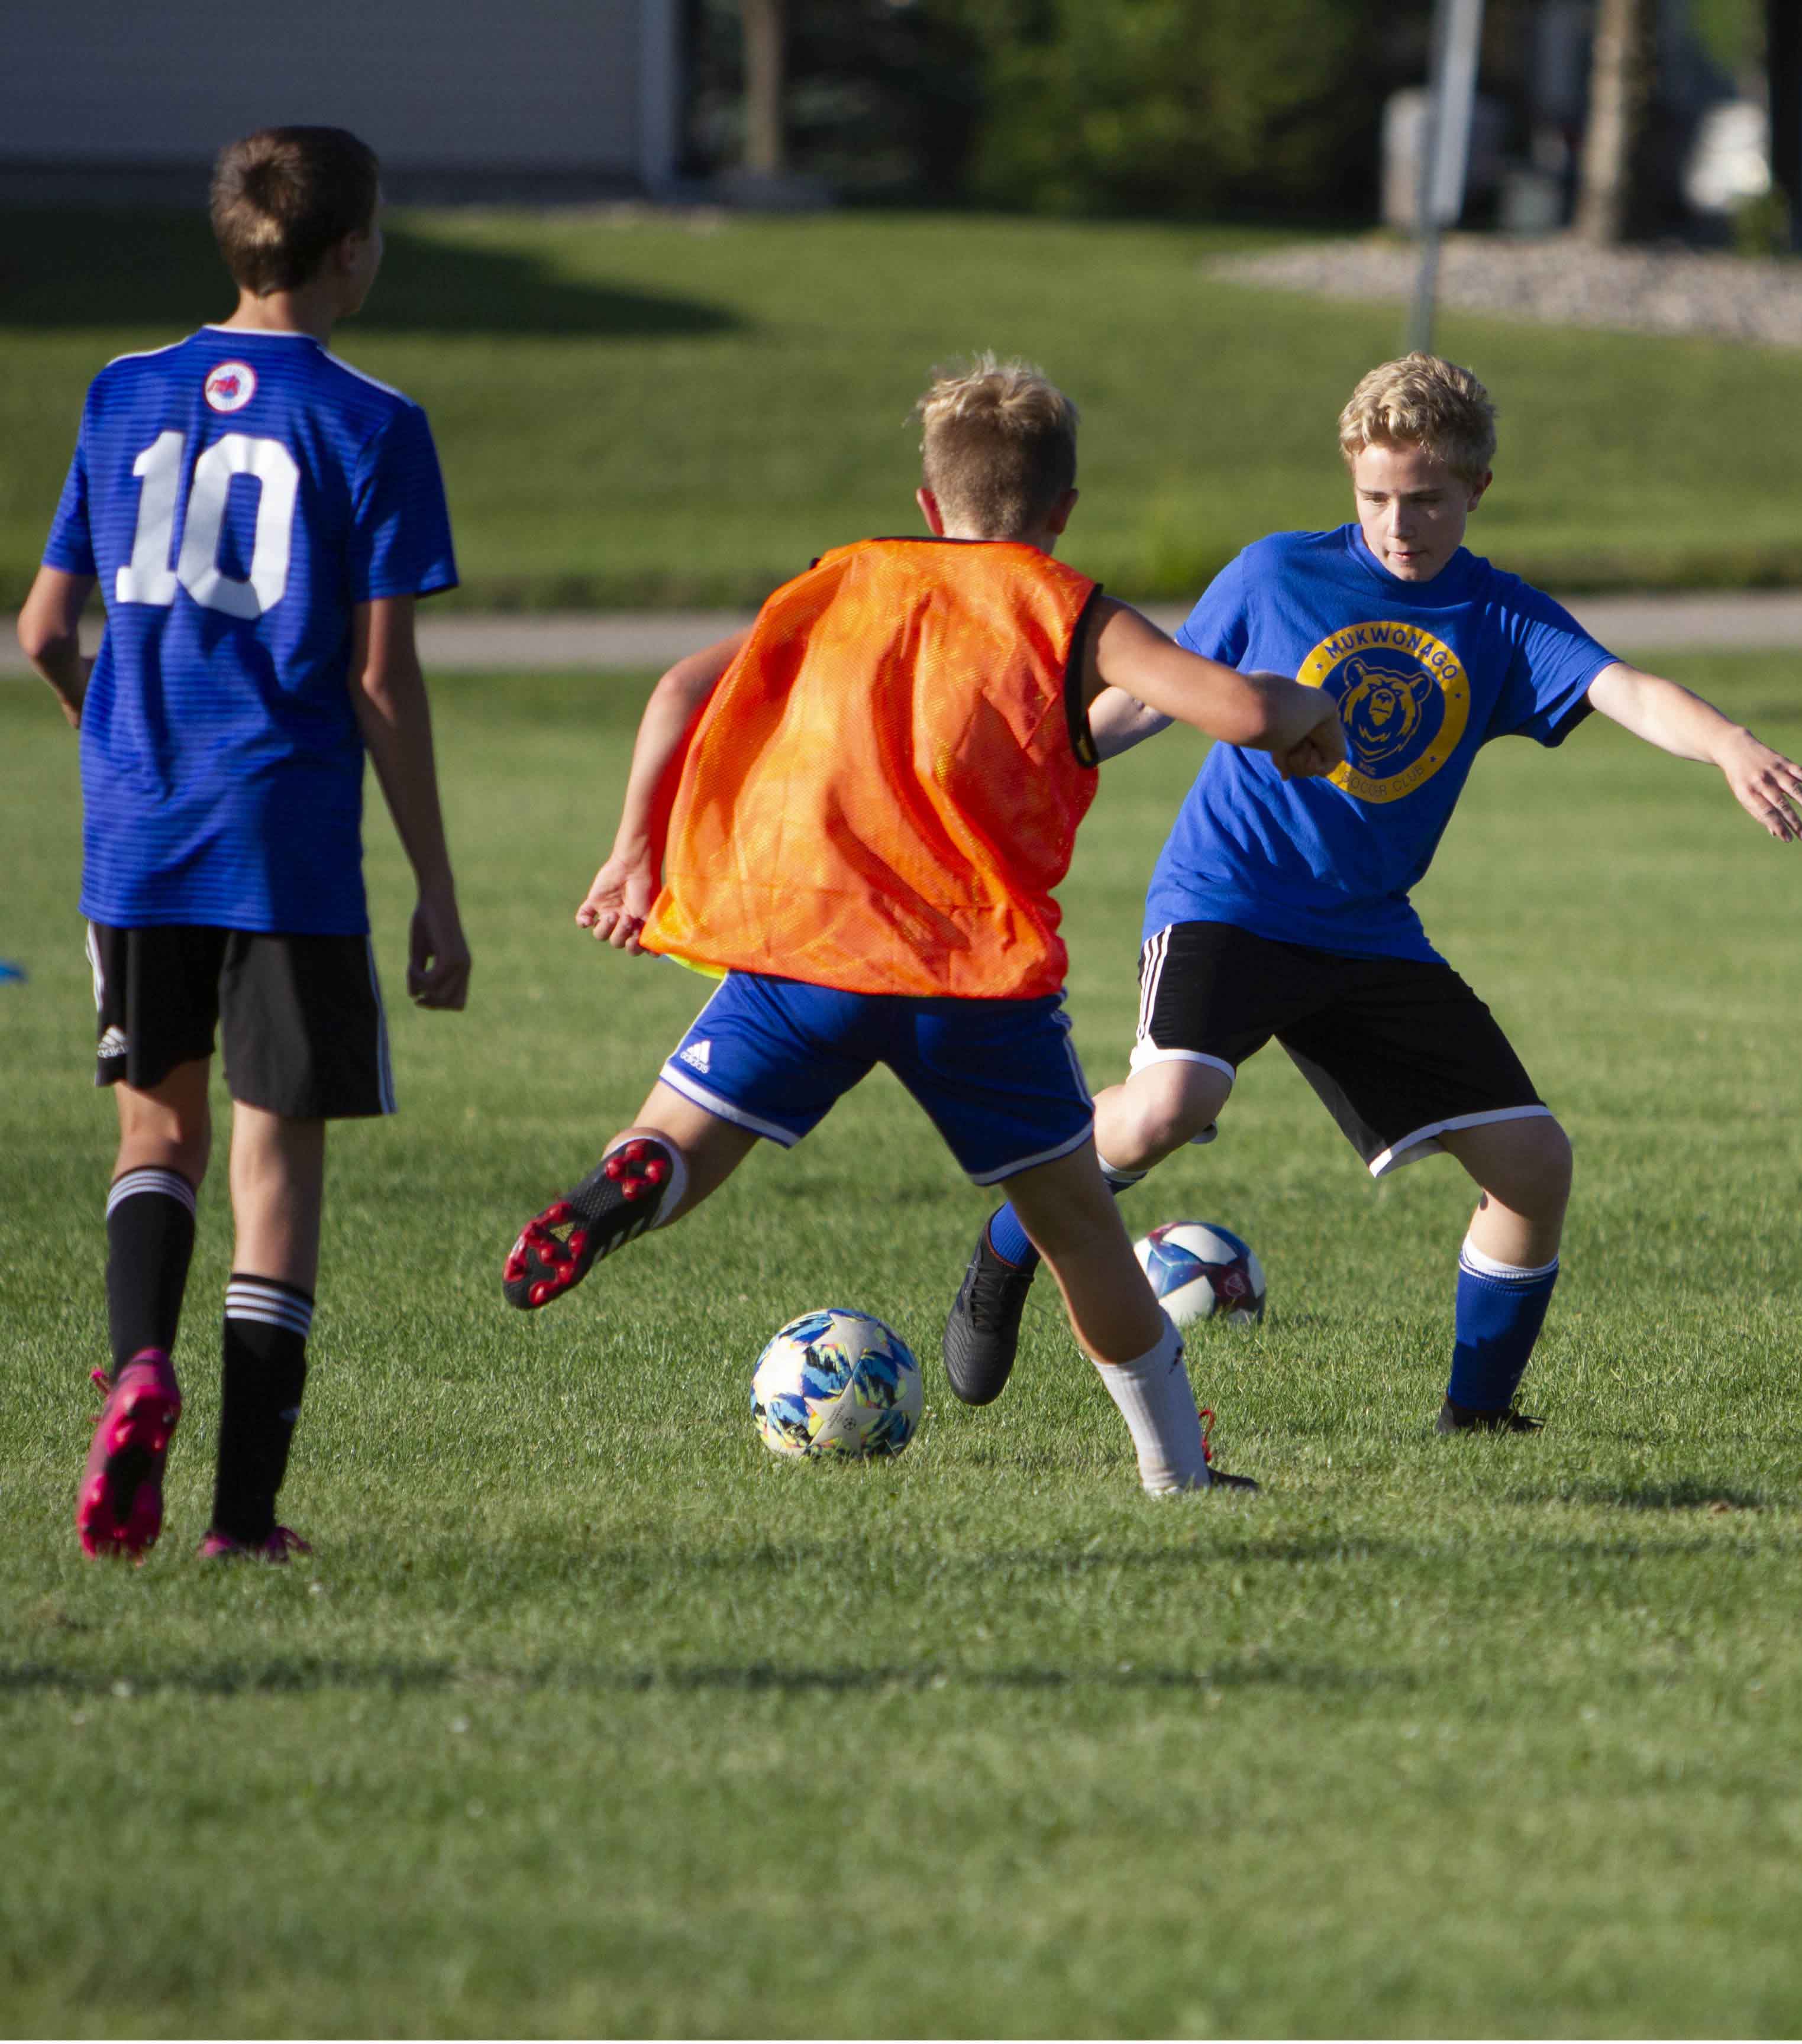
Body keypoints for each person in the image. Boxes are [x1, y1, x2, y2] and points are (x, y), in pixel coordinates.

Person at [499, 357, 1345, 1495]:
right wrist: (1309, 713)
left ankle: (630, 1180)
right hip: (970, 979)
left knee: (683, 1143)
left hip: (803, 950)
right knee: (1079, 1231)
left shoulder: (841, 579)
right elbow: (1237, 706)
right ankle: (1177, 1475)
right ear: (1062, 513)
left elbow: (677, 692)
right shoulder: (1065, 604)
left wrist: (633, 851)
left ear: (927, 505)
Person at [942, 352, 1802, 1434]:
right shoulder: (1273, 575)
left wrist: (1728, 745)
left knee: (1532, 1163)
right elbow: (1140, 704)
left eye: (1425, 501)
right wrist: (1017, 773)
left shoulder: (1497, 618)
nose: (1397, 526)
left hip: (1366, 931)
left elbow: (1623, 687)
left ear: (1475, 492)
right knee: (1169, 1108)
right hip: (1228, 897)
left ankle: (1479, 1421)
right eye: (1373, 499)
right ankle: (1004, 1246)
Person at [16, 126, 469, 1562]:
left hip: (137, 834)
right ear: (350, 250)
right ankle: (242, 1519)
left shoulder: (119, 391)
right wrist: (438, 893)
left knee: (157, 1130)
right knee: (279, 1167)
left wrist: (121, 739)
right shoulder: (371, 421)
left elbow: (41, 631)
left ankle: (138, 1363)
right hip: (281, 839)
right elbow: (380, 682)